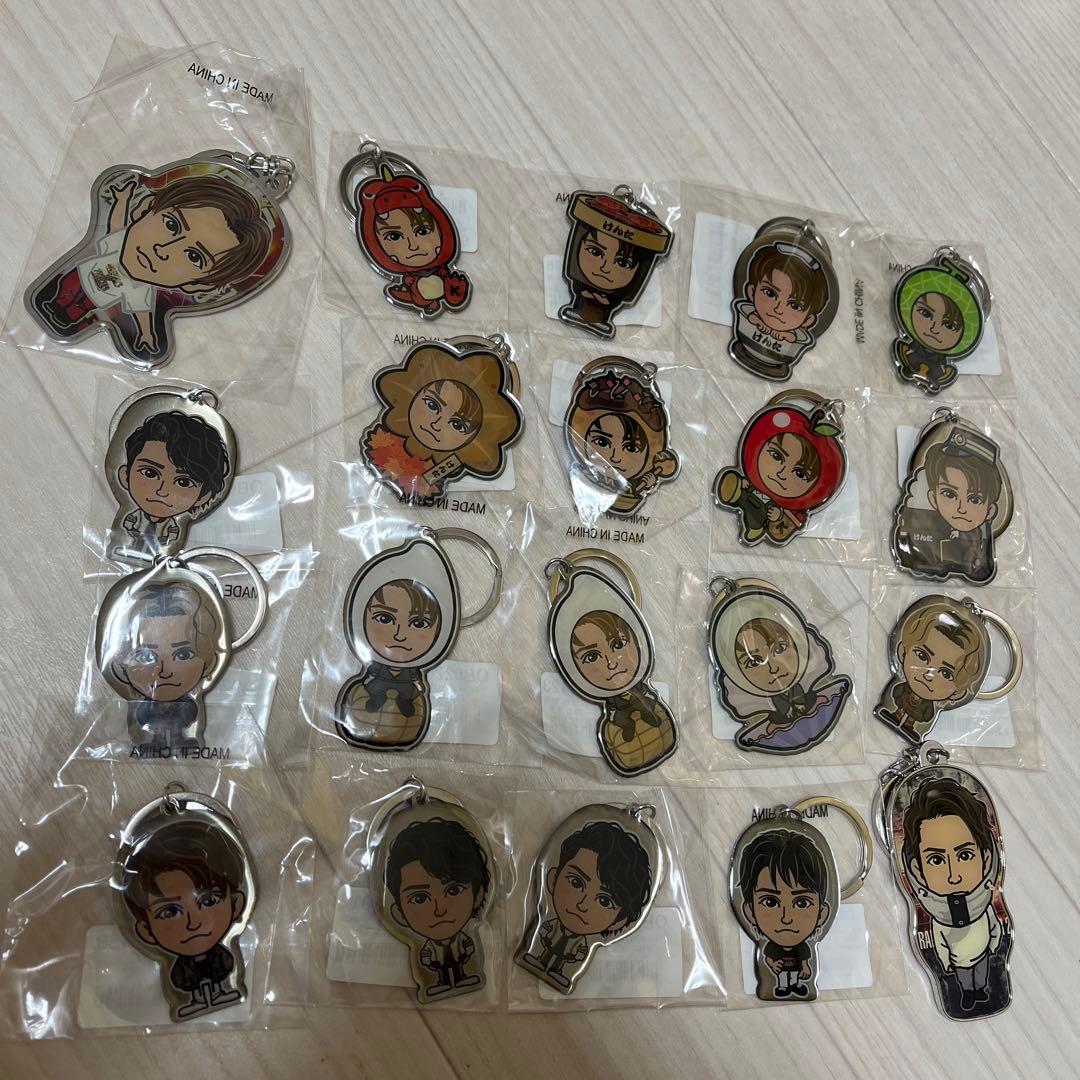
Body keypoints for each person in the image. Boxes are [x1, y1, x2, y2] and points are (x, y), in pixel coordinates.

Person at [30, 172, 274, 362]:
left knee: (79, 309)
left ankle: (64, 315)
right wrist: (122, 199)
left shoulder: (141, 289)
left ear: (197, 285)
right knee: (66, 289)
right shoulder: (118, 243)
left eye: (194, 256)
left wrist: (147, 334)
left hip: (94, 302)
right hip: (77, 277)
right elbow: (116, 223)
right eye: (171, 225)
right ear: (145, 208)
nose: (163, 249)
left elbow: (142, 314)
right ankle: (54, 305)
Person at [119, 819, 248, 1019]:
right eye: (170, 912)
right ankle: (196, 1001)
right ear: (146, 931)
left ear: (236, 904)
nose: (193, 923)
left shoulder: (223, 957)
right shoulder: (179, 970)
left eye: (208, 901)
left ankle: (219, 994)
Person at [362, 341, 522, 498]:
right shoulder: (384, 438)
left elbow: (428, 481)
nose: (436, 424)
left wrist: (426, 480)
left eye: (457, 424)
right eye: (432, 405)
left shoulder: (446, 465)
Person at [901, 778, 1006, 1015]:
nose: (953, 876)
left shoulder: (985, 907)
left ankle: (979, 991)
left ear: (986, 859)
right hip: (959, 963)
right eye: (936, 860)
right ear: (918, 870)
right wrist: (946, 962)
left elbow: (994, 927)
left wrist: (993, 944)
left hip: (983, 955)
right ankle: (968, 993)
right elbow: (939, 942)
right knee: (965, 979)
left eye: (965, 855)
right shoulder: (939, 920)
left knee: (981, 975)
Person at [519, 819, 652, 991]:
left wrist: (577, 955)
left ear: (619, 921)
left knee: (560, 965)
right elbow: (544, 929)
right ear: (552, 879)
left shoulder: (583, 942)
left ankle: (559, 973)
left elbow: (580, 952)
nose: (582, 904)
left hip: (565, 961)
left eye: (604, 901)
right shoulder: (550, 924)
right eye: (576, 882)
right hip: (538, 948)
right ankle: (537, 959)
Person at [104, 582, 222, 750]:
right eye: (145, 656)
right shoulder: (145, 706)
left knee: (175, 732)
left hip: (183, 737)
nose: (164, 671)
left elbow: (189, 715)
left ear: (209, 663)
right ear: (119, 668)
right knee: (158, 733)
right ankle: (157, 743)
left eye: (183, 655)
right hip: (150, 736)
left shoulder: (187, 703)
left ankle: (177, 742)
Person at [385, 817, 490, 998]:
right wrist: (430, 962)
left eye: (453, 890)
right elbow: (426, 956)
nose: (439, 910)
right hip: (436, 969)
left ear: (478, 896)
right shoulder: (426, 947)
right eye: (420, 898)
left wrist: (467, 952)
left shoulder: (463, 938)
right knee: (442, 976)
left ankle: (462, 978)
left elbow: (468, 947)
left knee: (460, 972)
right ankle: (440, 984)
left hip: (462, 964)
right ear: (399, 913)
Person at [337, 579, 442, 747]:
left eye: (418, 623)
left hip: (405, 688)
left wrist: (418, 686)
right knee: (372, 688)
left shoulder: (413, 670)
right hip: (378, 684)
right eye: (385, 618)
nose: (400, 635)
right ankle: (376, 699)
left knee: (409, 694)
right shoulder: (373, 663)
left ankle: (404, 702)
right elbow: (370, 673)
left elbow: (416, 679)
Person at [570, 609, 676, 774]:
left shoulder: (656, 707)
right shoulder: (611, 728)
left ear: (638, 642)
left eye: (618, 645)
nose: (611, 663)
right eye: (592, 657)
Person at [565, 364, 679, 514]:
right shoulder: (584, 476)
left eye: (630, 447)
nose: (615, 457)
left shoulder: (633, 486)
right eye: (602, 442)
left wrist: (648, 481)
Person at [355, 167, 469, 316]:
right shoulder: (409, 282)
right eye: (394, 236)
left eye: (422, 231)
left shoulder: (447, 275)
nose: (413, 246)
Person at [115, 410, 230, 554]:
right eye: (150, 473)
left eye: (183, 482)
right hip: (130, 547)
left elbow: (173, 533)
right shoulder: (137, 516)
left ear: (203, 497)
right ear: (125, 476)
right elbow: (129, 522)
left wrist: (169, 538)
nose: (162, 491)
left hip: (163, 555)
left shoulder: (171, 524)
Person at [894, 430, 1002, 583]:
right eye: (950, 494)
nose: (961, 508)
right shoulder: (923, 525)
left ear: (990, 511)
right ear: (933, 499)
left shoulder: (978, 542)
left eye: (974, 499)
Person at [738, 827, 831, 999]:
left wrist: (805, 967)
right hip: (774, 977)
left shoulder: (802, 947)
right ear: (750, 911)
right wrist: (773, 965)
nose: (786, 918)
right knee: (782, 979)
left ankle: (795, 985)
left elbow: (804, 960)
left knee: (794, 977)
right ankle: (782, 987)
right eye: (770, 902)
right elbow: (768, 959)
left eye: (801, 903)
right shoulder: (772, 946)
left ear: (822, 913)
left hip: (795, 973)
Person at [876, 600, 985, 742]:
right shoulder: (900, 687)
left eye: (946, 673)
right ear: (902, 652)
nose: (928, 675)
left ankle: (910, 726)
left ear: (958, 693)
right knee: (900, 703)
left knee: (916, 716)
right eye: (922, 656)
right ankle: (896, 715)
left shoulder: (930, 706)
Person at [730, 242, 831, 378]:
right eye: (770, 293)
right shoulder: (748, 312)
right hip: (741, 348)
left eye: (794, 305)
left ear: (807, 320)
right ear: (752, 292)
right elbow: (752, 317)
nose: (778, 309)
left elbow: (791, 337)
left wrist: (783, 335)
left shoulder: (797, 337)